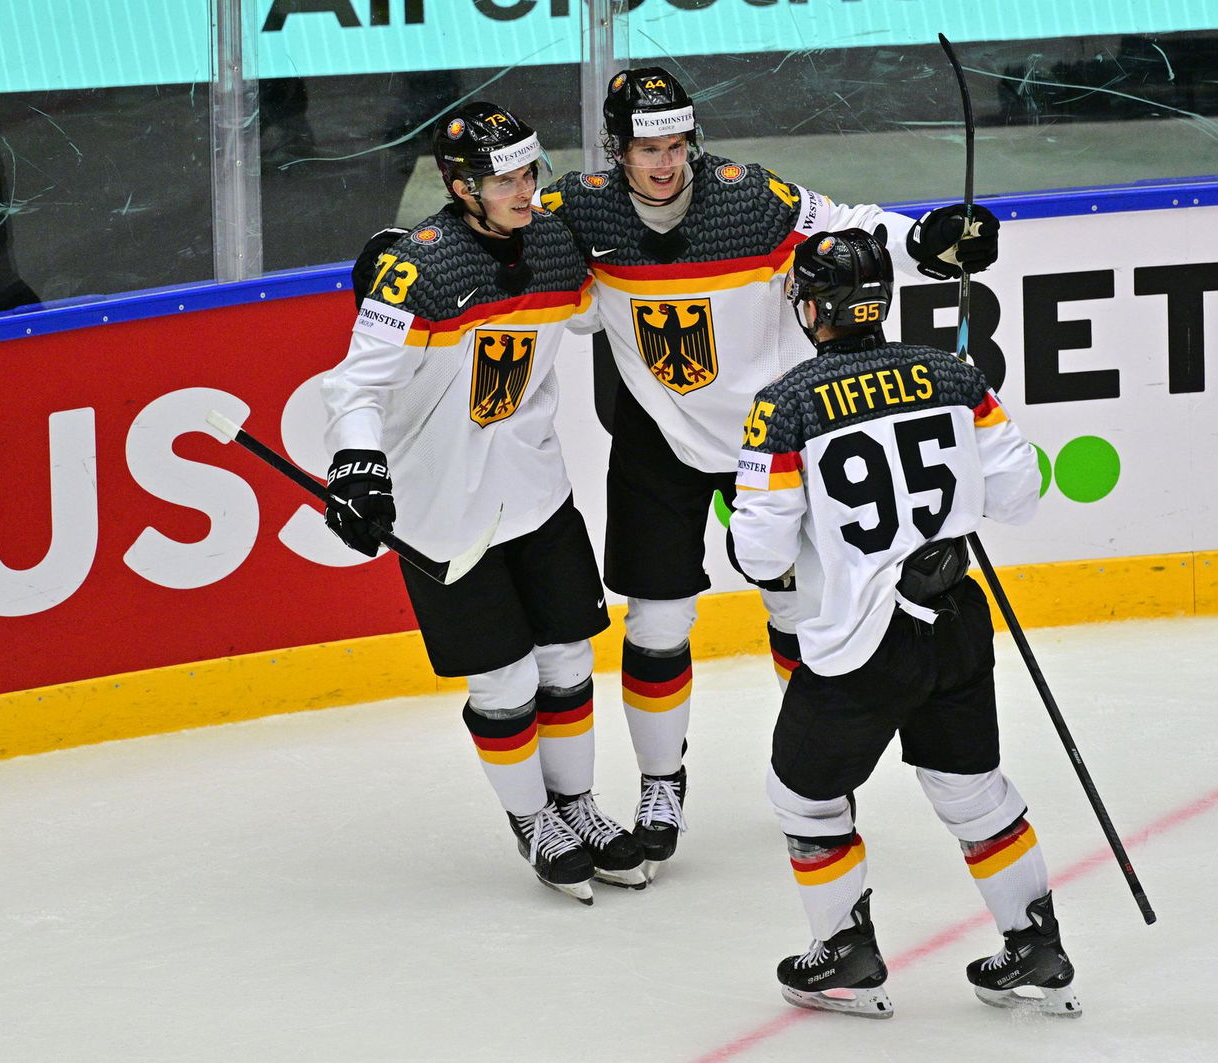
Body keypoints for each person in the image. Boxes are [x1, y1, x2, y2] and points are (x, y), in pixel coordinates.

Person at [537, 66, 1002, 879]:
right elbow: (500, 235)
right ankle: (660, 782)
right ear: (618, 148)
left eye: (678, 144)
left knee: (800, 607)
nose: (665, 162)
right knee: (656, 623)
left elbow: (852, 230)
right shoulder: (581, 211)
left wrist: (929, 238)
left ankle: (812, 766)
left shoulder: (749, 198)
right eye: (648, 147)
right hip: (659, 435)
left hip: (775, 430)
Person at [728, 227, 1079, 1018]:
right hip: (956, 619)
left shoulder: (784, 406)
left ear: (812, 308)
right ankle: (1036, 943)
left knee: (804, 796)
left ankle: (847, 952)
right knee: (975, 791)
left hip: (861, 636)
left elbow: (758, 554)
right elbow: (1019, 496)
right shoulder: (954, 373)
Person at [319, 102, 644, 905]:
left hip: (538, 492)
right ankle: (533, 818)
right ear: (459, 185)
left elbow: (604, 310)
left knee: (568, 660)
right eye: (505, 180)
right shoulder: (418, 266)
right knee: (501, 681)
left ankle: (579, 806)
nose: (525, 191)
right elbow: (355, 382)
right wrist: (357, 461)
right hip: (446, 512)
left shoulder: (552, 246)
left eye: (530, 173)